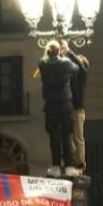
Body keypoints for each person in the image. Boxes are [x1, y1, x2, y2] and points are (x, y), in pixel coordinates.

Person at [38, 40, 79, 177]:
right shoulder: (65, 63)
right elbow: (77, 68)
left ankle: (56, 166)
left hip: (50, 104)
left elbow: (43, 61)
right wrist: (66, 53)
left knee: (54, 136)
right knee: (66, 135)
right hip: (65, 103)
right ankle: (68, 166)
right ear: (59, 51)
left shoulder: (43, 64)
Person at [60, 40, 90, 174]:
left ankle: (80, 164)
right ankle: (72, 161)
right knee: (67, 137)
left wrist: (69, 52)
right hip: (68, 110)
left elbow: (79, 65)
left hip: (78, 110)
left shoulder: (83, 75)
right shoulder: (70, 77)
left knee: (78, 138)